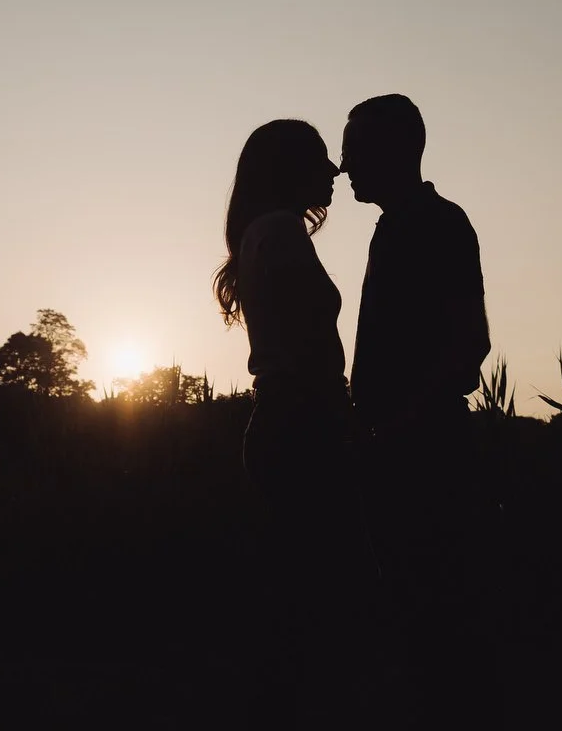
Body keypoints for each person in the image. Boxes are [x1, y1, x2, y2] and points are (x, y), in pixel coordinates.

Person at [212, 118, 363, 706]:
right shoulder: (279, 233)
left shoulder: (260, 232)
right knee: (315, 588)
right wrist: (342, 416)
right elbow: (306, 347)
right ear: (288, 168)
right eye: (320, 160)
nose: (334, 171)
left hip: (282, 418)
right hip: (304, 420)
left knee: (295, 581)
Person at [340, 94, 490, 643]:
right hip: (397, 447)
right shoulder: (396, 225)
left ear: (401, 148)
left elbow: (469, 344)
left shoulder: (438, 223)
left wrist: (396, 430)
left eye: (354, 149)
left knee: (436, 616)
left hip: (424, 452)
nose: (343, 164)